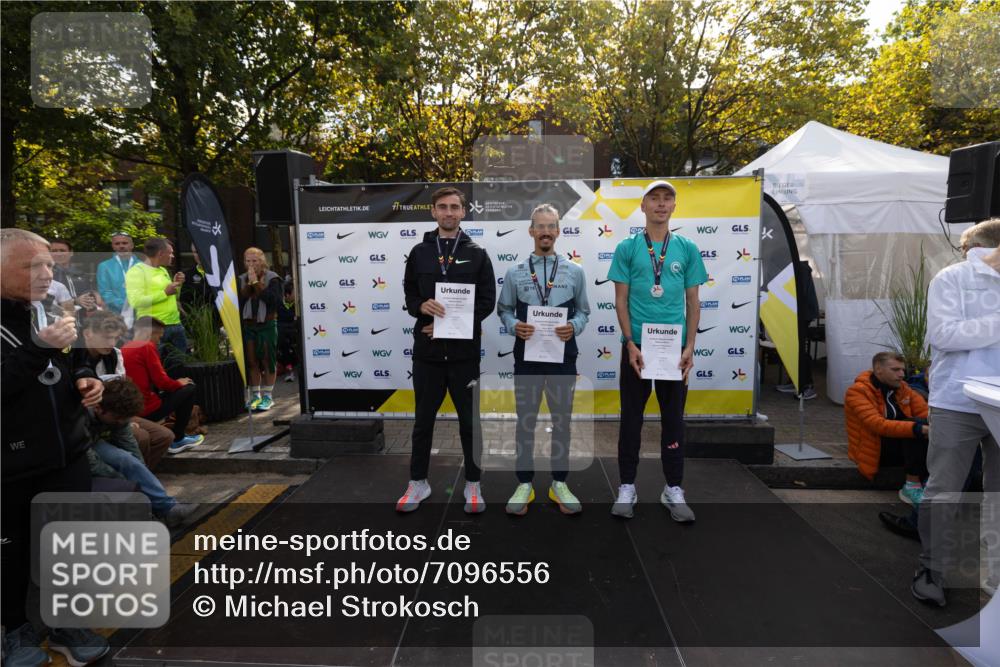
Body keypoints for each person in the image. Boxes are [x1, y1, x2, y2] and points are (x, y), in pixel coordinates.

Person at [1, 229, 110, 667]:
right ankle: (14, 631)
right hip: (10, 464)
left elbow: (72, 355)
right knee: (12, 554)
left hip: (66, 452)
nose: (47, 273)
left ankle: (66, 622)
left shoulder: (45, 305)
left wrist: (87, 375)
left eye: (48, 264)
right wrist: (37, 348)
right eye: (32, 266)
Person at [607, 180, 708, 521]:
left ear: (674, 207)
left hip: (674, 349)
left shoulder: (687, 248)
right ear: (643, 206)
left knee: (673, 420)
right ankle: (626, 486)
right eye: (655, 199)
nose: (661, 204)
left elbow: (693, 302)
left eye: (667, 199)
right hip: (637, 349)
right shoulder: (627, 247)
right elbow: (620, 301)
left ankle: (673, 488)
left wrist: (690, 346)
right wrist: (630, 343)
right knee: (631, 420)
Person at [912, 218, 1000, 607]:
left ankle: (996, 575)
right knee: (944, 489)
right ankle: (931, 569)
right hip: (958, 401)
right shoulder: (952, 279)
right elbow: (944, 335)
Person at [397, 187, 496, 513]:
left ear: (464, 212)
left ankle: (473, 484)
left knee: (470, 423)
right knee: (423, 421)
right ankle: (417, 483)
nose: (449, 212)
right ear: (434, 212)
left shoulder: (478, 253)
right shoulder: (419, 252)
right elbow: (410, 292)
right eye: (443, 207)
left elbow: (486, 301)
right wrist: (420, 306)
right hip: (427, 354)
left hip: (463, 356)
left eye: (455, 207)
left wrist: (449, 324)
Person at [496, 203, 590, 515]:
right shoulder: (515, 272)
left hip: (564, 358)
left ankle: (558, 483)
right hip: (528, 357)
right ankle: (524, 483)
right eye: (541, 226)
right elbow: (504, 309)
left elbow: (584, 311)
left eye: (552, 226)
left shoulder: (575, 271)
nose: (546, 231)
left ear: (559, 231)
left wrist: (574, 326)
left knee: (561, 422)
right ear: (531, 231)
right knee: (526, 422)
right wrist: (513, 326)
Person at [88, 378, 197, 527]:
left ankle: (168, 508)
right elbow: (91, 461)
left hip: (94, 439)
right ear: (98, 408)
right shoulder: (79, 415)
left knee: (128, 459)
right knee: (121, 463)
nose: (120, 422)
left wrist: (139, 473)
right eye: (117, 418)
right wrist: (123, 481)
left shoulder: (117, 414)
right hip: (76, 445)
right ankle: (159, 508)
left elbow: (129, 444)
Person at [73, 310, 173, 469]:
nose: (112, 343)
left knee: (164, 436)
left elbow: (122, 387)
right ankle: (132, 479)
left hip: (116, 410)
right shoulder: (72, 356)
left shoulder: (114, 354)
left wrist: (129, 417)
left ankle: (142, 476)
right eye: (107, 338)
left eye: (116, 338)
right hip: (88, 417)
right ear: (87, 333)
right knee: (141, 437)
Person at [845, 352, 929, 505]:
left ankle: (936, 484)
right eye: (895, 370)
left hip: (899, 445)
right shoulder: (857, 391)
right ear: (878, 370)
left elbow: (925, 414)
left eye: (903, 370)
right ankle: (911, 486)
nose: (902, 374)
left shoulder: (903, 388)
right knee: (915, 429)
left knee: (926, 424)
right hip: (874, 450)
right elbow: (877, 425)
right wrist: (918, 429)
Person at [122, 316, 205, 455]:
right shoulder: (146, 346)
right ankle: (178, 438)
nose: (159, 341)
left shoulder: (125, 347)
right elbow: (162, 382)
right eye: (159, 336)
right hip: (146, 409)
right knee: (189, 387)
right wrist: (179, 383)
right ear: (148, 333)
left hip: (133, 409)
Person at [125, 237, 188, 375]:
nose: (172, 256)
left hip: (175, 325)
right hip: (153, 328)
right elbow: (135, 301)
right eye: (170, 252)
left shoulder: (163, 270)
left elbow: (173, 297)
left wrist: (177, 285)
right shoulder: (136, 271)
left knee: (180, 368)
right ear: (160, 253)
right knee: (155, 370)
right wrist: (164, 292)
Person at [238, 247, 283, 410]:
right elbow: (241, 301)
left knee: (267, 360)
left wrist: (257, 283)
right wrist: (249, 283)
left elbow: (273, 301)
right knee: (251, 361)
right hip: (249, 325)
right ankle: (255, 395)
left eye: (254, 261)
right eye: (248, 261)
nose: (251, 264)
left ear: (262, 261)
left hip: (267, 325)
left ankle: (268, 396)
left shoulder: (273, 278)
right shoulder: (242, 278)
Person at [96, 231, 140, 325]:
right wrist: (126, 306)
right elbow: (105, 292)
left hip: (140, 314)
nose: (121, 246)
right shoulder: (104, 266)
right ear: (113, 246)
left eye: (124, 243)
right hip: (116, 316)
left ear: (132, 245)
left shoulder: (142, 265)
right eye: (117, 244)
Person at [276, 279, 299, 382]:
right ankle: (289, 370)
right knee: (282, 336)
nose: (297, 295)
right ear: (287, 295)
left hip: (294, 332)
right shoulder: (278, 305)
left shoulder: (298, 305)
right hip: (283, 334)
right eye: (294, 293)